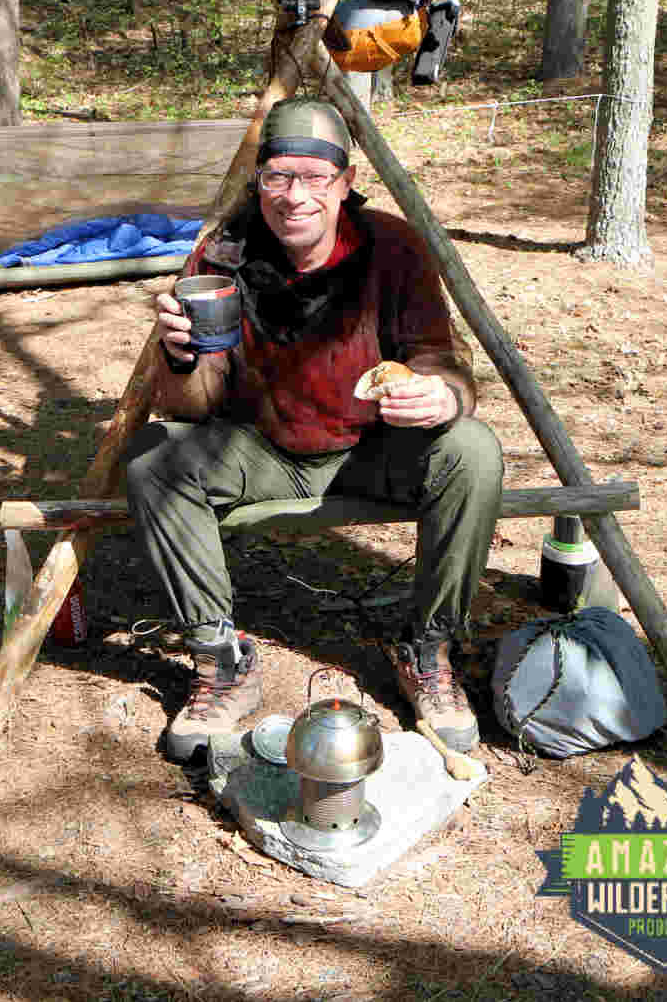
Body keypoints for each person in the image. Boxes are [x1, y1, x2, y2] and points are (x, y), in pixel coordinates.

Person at [125, 98, 502, 761]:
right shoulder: (224, 257)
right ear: (258, 182)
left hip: (372, 450)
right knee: (155, 461)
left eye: (314, 178)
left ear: (345, 184)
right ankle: (221, 661)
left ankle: (429, 649)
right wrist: (180, 357)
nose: (295, 197)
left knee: (472, 450)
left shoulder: (393, 248)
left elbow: (439, 358)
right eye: (278, 177)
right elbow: (191, 406)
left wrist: (442, 396)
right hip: (260, 448)